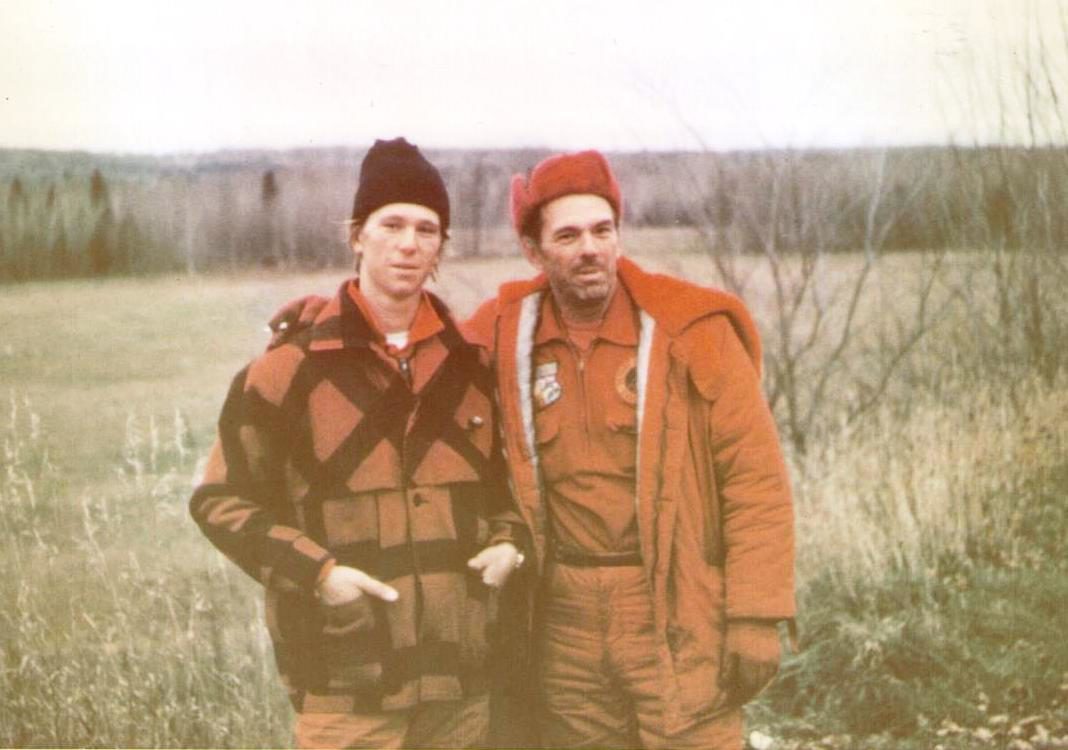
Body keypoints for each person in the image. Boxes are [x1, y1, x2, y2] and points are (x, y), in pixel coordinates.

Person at [270, 149, 796, 750]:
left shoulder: (691, 332)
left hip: (673, 610)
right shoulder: (504, 330)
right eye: (567, 235)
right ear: (534, 251)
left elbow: (755, 484)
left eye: (603, 230)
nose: (590, 249)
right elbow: (415, 350)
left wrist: (755, 615)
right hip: (562, 614)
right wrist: (333, 321)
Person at [190, 137, 525, 750]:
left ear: (442, 249)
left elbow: (510, 493)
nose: (409, 242)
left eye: (427, 229)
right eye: (391, 223)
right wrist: (320, 575)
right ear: (357, 236)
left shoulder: (472, 369)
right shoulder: (285, 372)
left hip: (460, 688)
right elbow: (220, 502)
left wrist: (508, 543)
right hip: (347, 683)